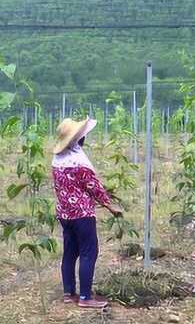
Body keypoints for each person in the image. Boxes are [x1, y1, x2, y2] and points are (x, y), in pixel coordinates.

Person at [52, 117, 122, 309]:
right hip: (82, 214)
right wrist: (109, 206)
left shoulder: (57, 160)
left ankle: (68, 294)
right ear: (77, 140)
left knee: (69, 253)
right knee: (88, 252)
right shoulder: (79, 162)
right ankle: (85, 297)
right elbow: (94, 187)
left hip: (65, 214)